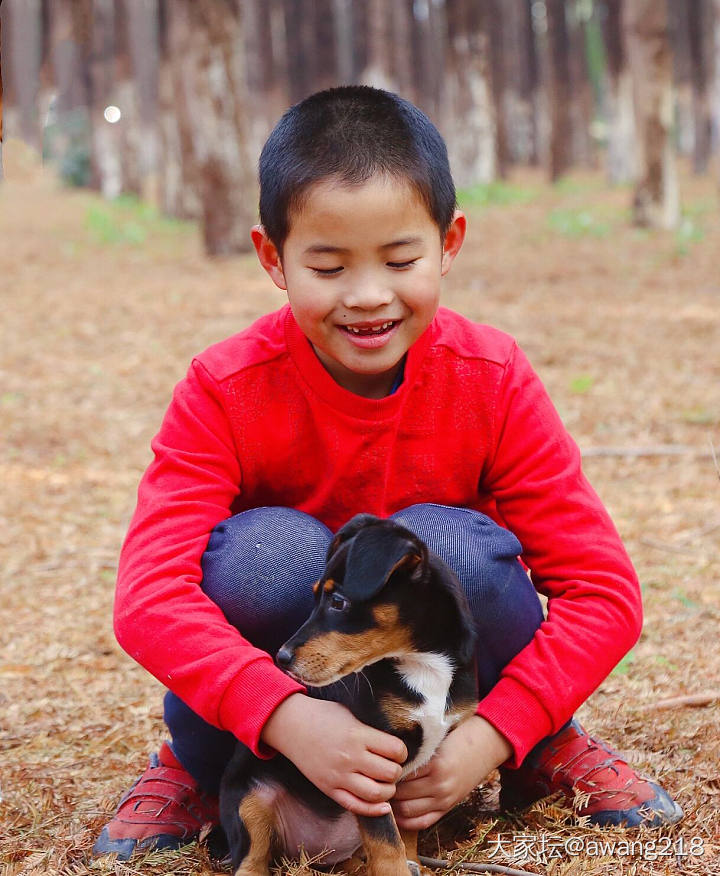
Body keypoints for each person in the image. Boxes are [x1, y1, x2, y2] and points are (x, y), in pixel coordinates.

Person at [93, 86, 681, 861]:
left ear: (449, 243)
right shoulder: (224, 388)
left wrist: (495, 734)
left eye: (401, 259)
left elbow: (603, 592)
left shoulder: (491, 376)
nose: (369, 296)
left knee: (447, 549)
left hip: (452, 709)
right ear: (273, 257)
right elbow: (148, 596)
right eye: (328, 265)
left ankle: (540, 749)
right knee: (270, 558)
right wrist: (284, 717)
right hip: (283, 710)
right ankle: (200, 768)